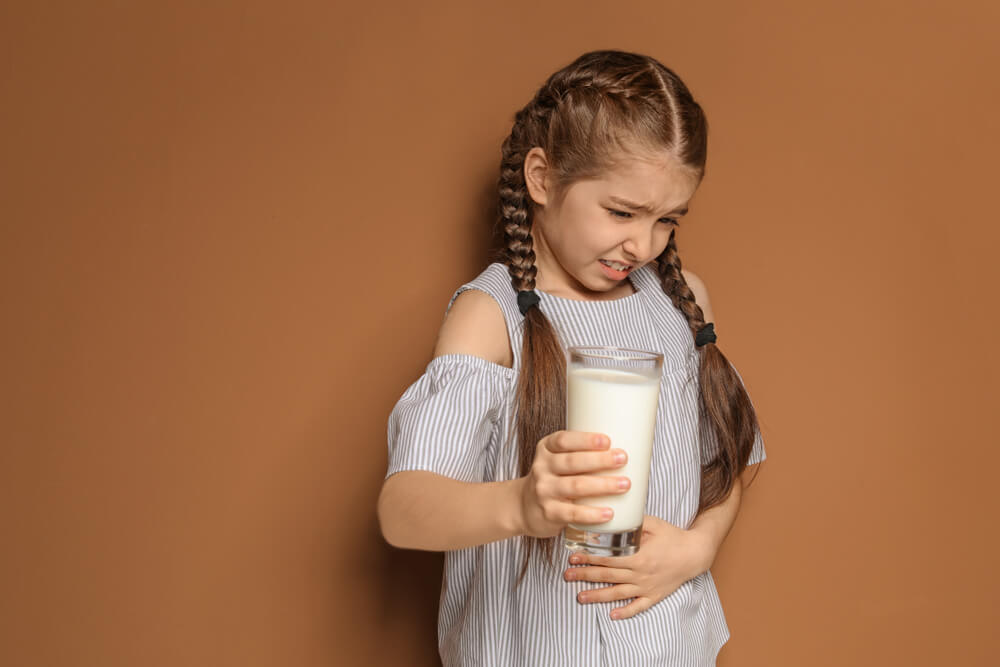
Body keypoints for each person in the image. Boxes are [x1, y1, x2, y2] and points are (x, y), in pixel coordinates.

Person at [377, 49, 767, 666]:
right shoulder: (493, 315)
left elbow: (732, 453)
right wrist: (523, 504)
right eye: (621, 211)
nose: (642, 244)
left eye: (667, 219)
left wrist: (700, 547)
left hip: (667, 649)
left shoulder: (679, 300)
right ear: (542, 178)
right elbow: (404, 510)